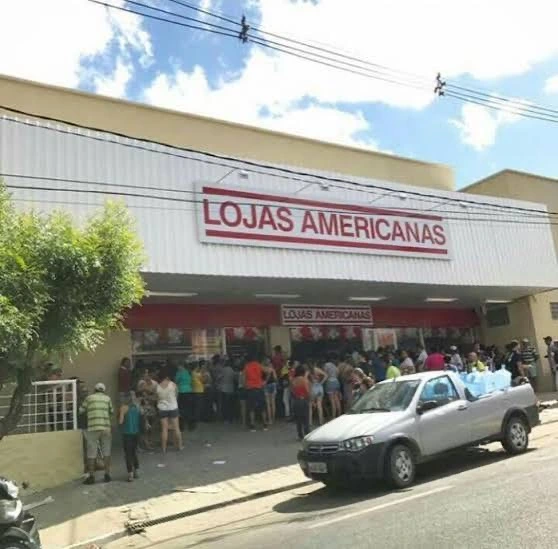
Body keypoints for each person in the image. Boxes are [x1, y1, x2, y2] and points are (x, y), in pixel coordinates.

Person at [81, 382, 114, 485]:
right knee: (106, 452)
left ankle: (91, 477)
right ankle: (107, 474)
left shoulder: (89, 398)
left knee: (91, 452)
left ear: (94, 390)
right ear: (103, 391)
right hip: (106, 428)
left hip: (93, 428)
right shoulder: (107, 398)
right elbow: (111, 412)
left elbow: (81, 411)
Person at [156, 369, 183, 453]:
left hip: (162, 409)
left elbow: (157, 398)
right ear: (167, 376)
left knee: (164, 429)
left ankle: (164, 449)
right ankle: (180, 446)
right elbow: (177, 394)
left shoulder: (158, 386)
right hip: (173, 407)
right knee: (176, 428)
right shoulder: (173, 384)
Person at [119, 392, 141, 482]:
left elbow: (120, 421)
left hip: (127, 433)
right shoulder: (137, 407)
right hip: (136, 433)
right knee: (134, 452)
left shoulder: (123, 408)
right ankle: (136, 471)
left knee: (128, 454)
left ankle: (130, 474)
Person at [244, 356, 267, 432]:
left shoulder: (247, 366)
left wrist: (246, 385)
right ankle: (265, 424)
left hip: (250, 389)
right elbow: (269, 371)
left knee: (251, 408)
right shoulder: (258, 365)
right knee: (262, 407)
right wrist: (265, 381)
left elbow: (244, 378)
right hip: (259, 388)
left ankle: (252, 425)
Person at [136, 369, 158, 449]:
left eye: (147, 374)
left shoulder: (155, 384)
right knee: (144, 427)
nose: (146, 375)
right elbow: (138, 394)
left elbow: (156, 397)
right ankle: (145, 443)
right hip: (143, 409)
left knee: (151, 426)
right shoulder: (141, 383)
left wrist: (149, 395)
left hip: (151, 408)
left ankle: (149, 441)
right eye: (145, 374)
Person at [290, 365, 310, 441]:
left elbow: (292, 391)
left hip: (296, 401)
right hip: (304, 400)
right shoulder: (305, 380)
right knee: (306, 419)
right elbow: (307, 391)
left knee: (298, 420)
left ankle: (300, 435)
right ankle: (307, 435)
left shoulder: (293, 380)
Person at [175, 362, 192, 431]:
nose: (178, 368)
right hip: (189, 391)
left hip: (181, 392)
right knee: (188, 408)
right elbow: (190, 381)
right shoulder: (188, 372)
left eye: (178, 366)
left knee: (181, 409)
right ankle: (190, 425)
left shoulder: (179, 373)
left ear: (181, 366)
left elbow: (176, 381)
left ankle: (181, 426)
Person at [309, 361, 326, 427]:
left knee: (310, 406)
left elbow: (306, 379)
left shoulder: (308, 371)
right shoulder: (317, 369)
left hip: (313, 388)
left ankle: (310, 422)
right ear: (315, 364)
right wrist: (321, 383)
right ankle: (321, 421)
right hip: (319, 387)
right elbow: (326, 375)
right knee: (319, 405)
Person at [221, 359, 236, 424]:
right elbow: (235, 379)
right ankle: (231, 419)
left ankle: (226, 419)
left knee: (225, 405)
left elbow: (219, 377)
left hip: (224, 389)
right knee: (230, 405)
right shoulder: (232, 370)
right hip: (231, 389)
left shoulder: (223, 370)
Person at [264, 359, 278, 425]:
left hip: (266, 385)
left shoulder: (264, 369)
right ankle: (273, 419)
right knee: (273, 403)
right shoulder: (272, 369)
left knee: (268, 404)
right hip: (273, 385)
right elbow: (275, 378)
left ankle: (270, 420)